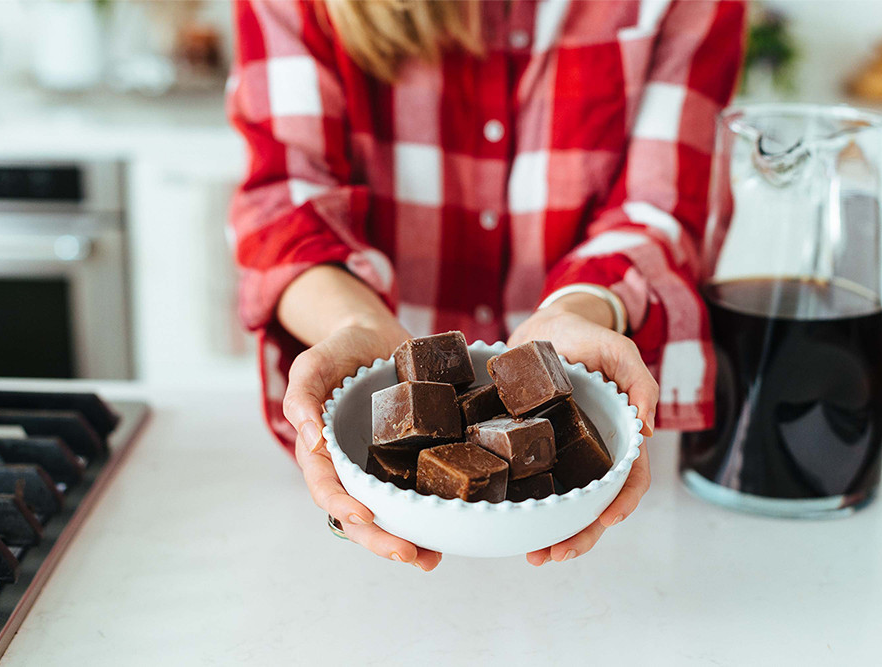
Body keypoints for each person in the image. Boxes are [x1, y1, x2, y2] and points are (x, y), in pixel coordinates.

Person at [227, 0, 745, 571]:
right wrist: (357, 325)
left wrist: (581, 308)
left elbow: (661, 205)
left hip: (602, 531)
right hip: (364, 503)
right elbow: (285, 203)